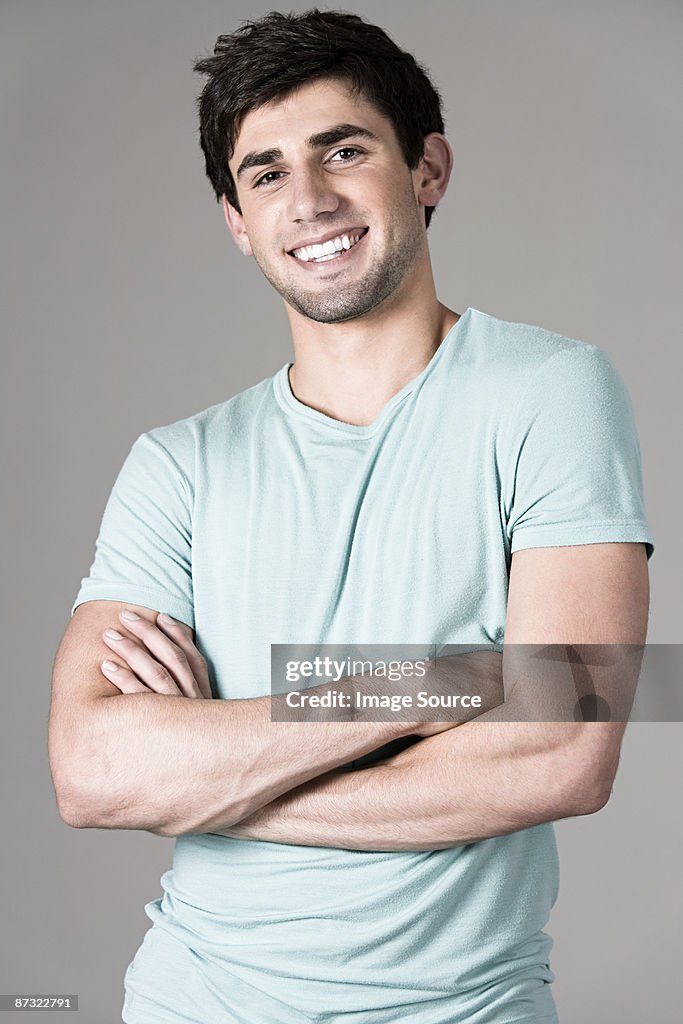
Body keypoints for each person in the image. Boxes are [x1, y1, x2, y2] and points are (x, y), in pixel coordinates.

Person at [47, 9, 655, 1024]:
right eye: (267, 173)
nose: (310, 199)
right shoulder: (177, 464)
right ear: (237, 221)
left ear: (427, 169)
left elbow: (567, 747)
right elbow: (92, 772)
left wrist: (218, 784)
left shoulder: (549, 389)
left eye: (344, 149)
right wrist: (441, 682)